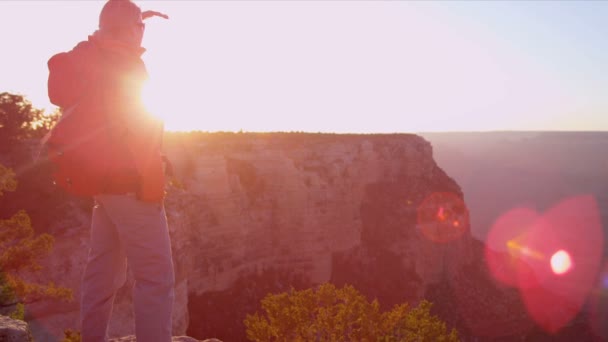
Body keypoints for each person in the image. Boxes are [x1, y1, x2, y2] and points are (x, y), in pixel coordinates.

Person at [46, 1, 173, 341]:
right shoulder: (127, 65)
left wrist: (123, 23)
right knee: (155, 279)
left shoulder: (93, 57)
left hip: (104, 186)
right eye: (138, 27)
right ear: (130, 30)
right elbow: (142, 134)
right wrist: (152, 187)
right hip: (131, 187)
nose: (142, 34)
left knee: (102, 272)